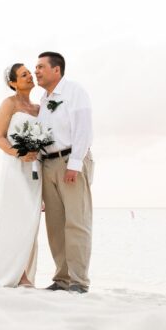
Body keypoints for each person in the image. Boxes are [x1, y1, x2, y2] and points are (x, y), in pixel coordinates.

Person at [35, 51, 94, 293]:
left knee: (76, 223)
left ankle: (79, 282)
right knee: (55, 225)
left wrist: (75, 164)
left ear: (56, 70)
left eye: (40, 67)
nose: (36, 71)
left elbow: (83, 129)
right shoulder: (43, 99)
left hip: (70, 160)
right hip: (48, 165)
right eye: (35, 67)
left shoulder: (74, 92)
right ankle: (62, 279)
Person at [0, 63, 44, 287]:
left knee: (32, 221)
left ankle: (24, 271)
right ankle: (16, 275)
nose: (29, 76)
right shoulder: (9, 104)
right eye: (23, 75)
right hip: (15, 169)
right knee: (16, 218)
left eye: (29, 73)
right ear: (13, 83)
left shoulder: (39, 108)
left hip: (35, 171)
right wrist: (19, 153)